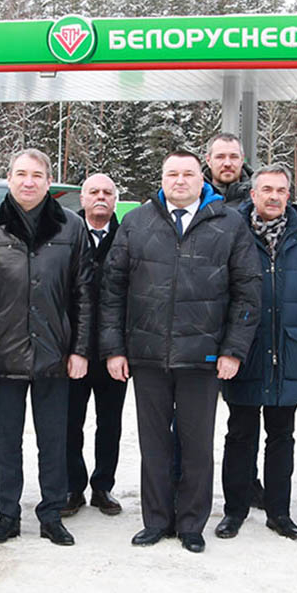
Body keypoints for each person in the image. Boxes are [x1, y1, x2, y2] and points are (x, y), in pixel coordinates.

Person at [101, 148, 260, 554]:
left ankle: (191, 523)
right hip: (148, 354)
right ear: (162, 178)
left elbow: (247, 292)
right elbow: (112, 290)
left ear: (200, 177)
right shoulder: (136, 222)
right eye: (172, 173)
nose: (180, 181)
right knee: (153, 444)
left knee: (196, 445)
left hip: (203, 356)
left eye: (188, 173)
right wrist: (114, 348)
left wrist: (233, 350)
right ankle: (156, 520)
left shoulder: (228, 223)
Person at [0, 148, 93, 547]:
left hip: (56, 353)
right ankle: (8, 514)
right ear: (9, 178)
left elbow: (84, 294)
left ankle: (52, 513)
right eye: (21, 174)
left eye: (37, 174)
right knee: (7, 441)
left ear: (48, 181)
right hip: (4, 352)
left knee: (54, 439)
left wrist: (81, 350)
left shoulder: (71, 227)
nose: (29, 181)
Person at [216, 164, 297, 543]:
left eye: (281, 189)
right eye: (266, 189)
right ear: (253, 194)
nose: (274, 196)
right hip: (246, 350)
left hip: (290, 349)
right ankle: (235, 510)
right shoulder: (234, 232)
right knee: (240, 433)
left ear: (289, 194)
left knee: (283, 435)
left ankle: (279, 512)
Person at [62, 173, 127, 518]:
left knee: (110, 422)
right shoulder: (68, 235)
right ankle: (73, 487)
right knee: (71, 422)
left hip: (115, 351)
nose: (100, 197)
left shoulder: (126, 237)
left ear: (115, 199)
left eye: (107, 192)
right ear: (82, 199)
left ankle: (103, 486)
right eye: (93, 192)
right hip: (74, 349)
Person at [203, 133, 252, 208]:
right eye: (220, 157)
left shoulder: (258, 195)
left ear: (242, 159)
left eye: (234, 157)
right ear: (208, 160)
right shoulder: (194, 195)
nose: (227, 163)